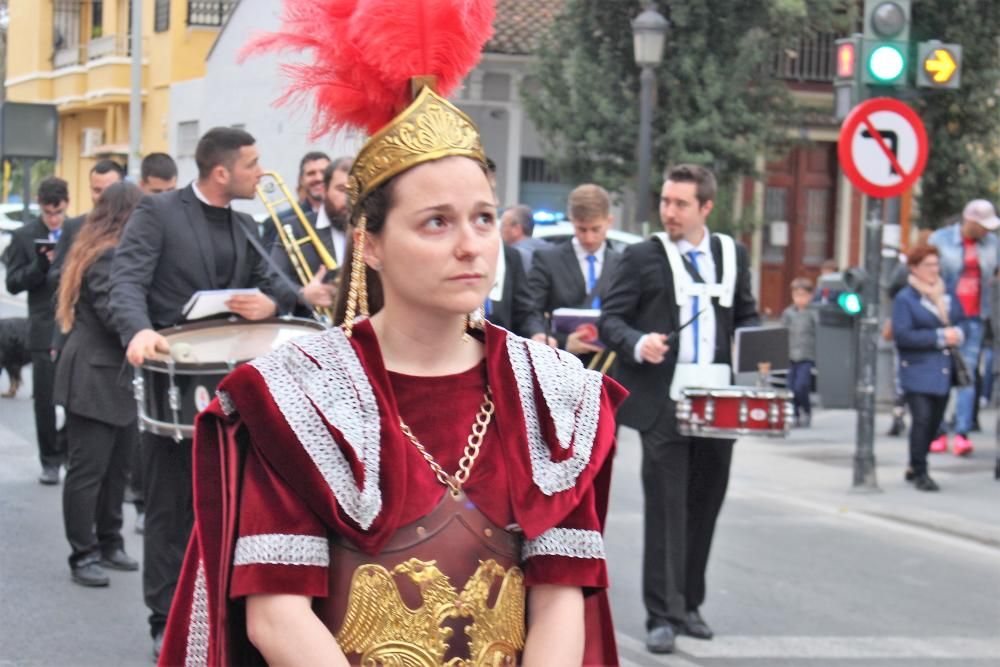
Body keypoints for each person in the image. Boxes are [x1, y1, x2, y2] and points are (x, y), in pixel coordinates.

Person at [158, 4, 624, 664]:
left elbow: (559, 599)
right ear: (370, 243)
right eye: (436, 222)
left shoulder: (551, 397)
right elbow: (276, 615)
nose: (471, 245)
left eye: (484, 218)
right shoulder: (296, 398)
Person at [111, 126, 298, 658]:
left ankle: (224, 612)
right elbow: (124, 280)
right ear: (222, 172)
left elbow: (275, 287)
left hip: (236, 385)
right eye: (252, 163)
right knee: (171, 507)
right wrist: (138, 331)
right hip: (174, 379)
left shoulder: (244, 223)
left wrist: (273, 303)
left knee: (236, 504)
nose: (261, 172)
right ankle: (163, 616)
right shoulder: (159, 213)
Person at [599, 163, 759, 654]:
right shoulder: (642, 256)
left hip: (720, 401)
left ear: (705, 208)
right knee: (666, 508)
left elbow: (746, 316)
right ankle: (661, 615)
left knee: (705, 503)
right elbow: (610, 319)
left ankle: (690, 604)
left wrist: (762, 362)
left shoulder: (731, 254)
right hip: (664, 402)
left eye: (680, 204)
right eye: (666, 201)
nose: (669, 211)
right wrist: (637, 342)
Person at [53, 182, 144, 587]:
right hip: (94, 374)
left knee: (116, 470)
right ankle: (83, 552)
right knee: (89, 472)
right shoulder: (109, 255)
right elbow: (115, 315)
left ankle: (108, 541)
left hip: (111, 375)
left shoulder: (106, 248)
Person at [1, 177, 71, 484]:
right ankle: (50, 460)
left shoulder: (78, 231)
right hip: (42, 327)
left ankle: (66, 448)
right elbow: (13, 283)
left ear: (66, 204)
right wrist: (40, 267)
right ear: (40, 206)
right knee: (44, 399)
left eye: (58, 212)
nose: (54, 218)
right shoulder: (24, 235)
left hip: (77, 326)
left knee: (79, 398)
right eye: (48, 212)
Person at [927, 199, 1000, 456]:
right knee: (942, 374)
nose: (987, 232)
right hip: (946, 315)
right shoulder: (940, 240)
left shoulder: (992, 245)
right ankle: (937, 431)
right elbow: (927, 274)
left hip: (975, 317)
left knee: (967, 374)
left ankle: (961, 432)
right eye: (983, 226)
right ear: (970, 221)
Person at [892, 244, 965, 491]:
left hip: (943, 369)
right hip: (917, 368)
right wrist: (939, 336)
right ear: (914, 268)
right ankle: (921, 471)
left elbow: (961, 319)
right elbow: (903, 336)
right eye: (928, 265)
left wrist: (958, 333)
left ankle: (914, 463)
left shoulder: (946, 293)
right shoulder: (906, 298)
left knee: (934, 422)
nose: (934, 270)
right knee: (922, 420)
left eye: (936, 265)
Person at [525, 184, 622, 362]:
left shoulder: (622, 263)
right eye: (581, 229)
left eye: (596, 229)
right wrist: (559, 341)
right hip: (562, 365)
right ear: (572, 220)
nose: (588, 238)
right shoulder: (548, 260)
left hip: (610, 367)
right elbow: (531, 312)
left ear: (609, 221)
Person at [269, 156, 352, 316]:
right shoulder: (295, 228)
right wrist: (302, 294)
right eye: (341, 189)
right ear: (325, 190)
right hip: (315, 330)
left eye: (355, 189)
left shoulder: (375, 229)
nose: (349, 198)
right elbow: (273, 280)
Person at [262, 150, 331, 247]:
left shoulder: (348, 217)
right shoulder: (277, 221)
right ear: (301, 179)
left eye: (324, 172)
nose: (318, 178)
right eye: (311, 173)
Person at [782, 277, 817, 427]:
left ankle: (806, 410)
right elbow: (782, 333)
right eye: (797, 295)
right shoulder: (788, 313)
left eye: (803, 295)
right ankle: (795, 413)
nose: (800, 299)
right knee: (791, 387)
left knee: (801, 385)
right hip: (791, 355)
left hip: (807, 354)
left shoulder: (813, 313)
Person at [501, 204, 550, 272]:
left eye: (503, 225)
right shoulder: (550, 252)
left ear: (516, 229)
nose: (500, 230)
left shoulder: (513, 256)